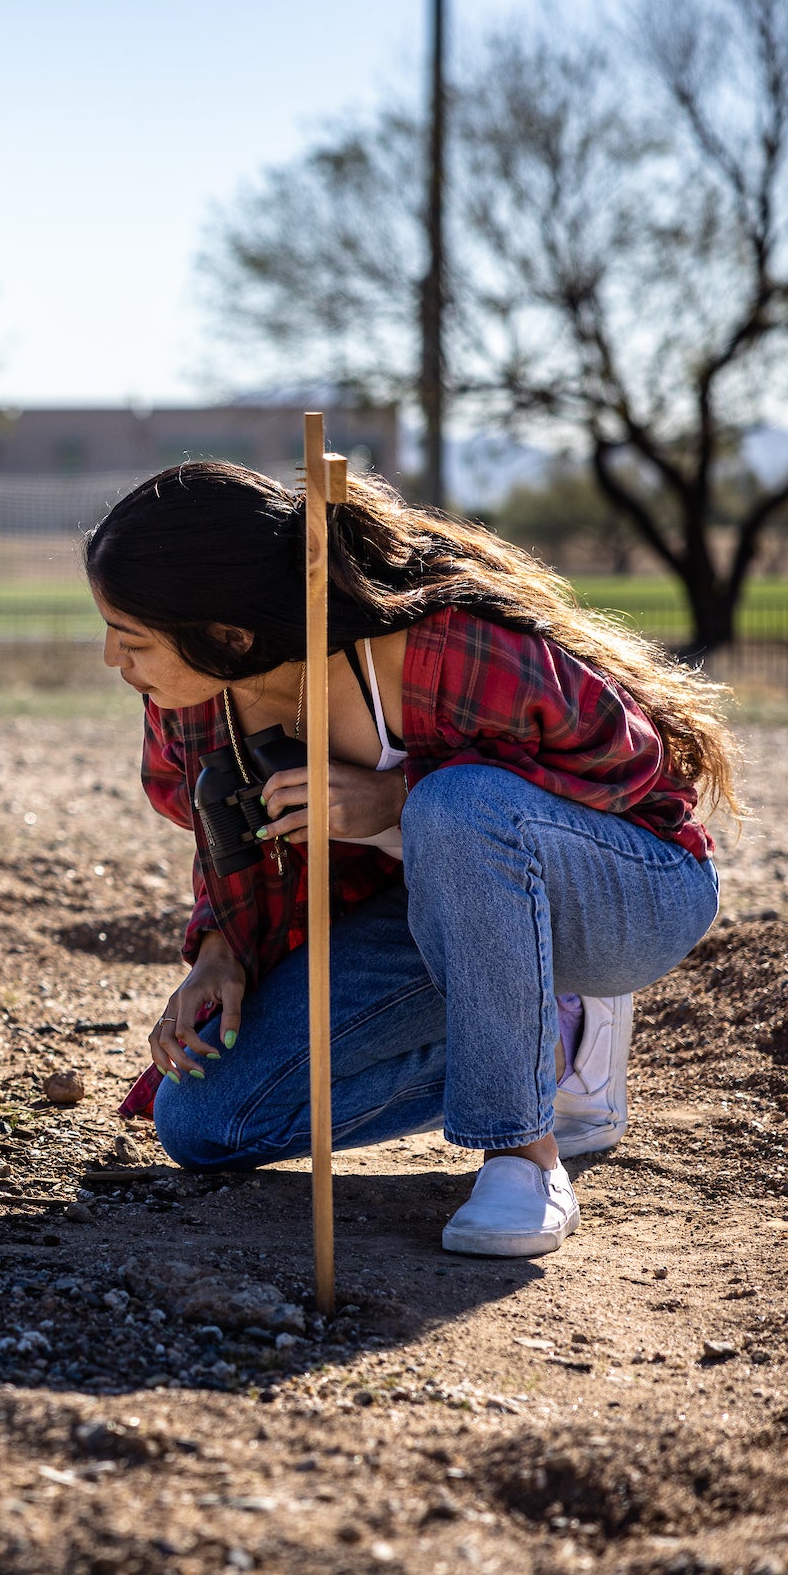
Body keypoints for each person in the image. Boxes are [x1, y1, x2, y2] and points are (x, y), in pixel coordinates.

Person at [86, 461, 730, 1259]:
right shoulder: (190, 700)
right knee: (207, 1120)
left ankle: (524, 1157)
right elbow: (232, 838)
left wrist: (397, 796)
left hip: (630, 890)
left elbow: (639, 777)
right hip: (444, 917)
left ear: (231, 634)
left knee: (454, 806)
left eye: (134, 637)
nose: (113, 658)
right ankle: (556, 1038)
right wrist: (222, 949)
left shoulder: (438, 646)